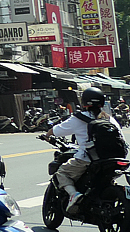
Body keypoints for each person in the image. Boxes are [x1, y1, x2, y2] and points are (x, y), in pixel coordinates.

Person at [46, 86, 120, 214]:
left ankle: (73, 195)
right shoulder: (109, 119)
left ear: (84, 102)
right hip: (113, 159)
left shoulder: (79, 118)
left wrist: (47, 135)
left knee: (61, 174)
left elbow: (57, 130)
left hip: (88, 158)